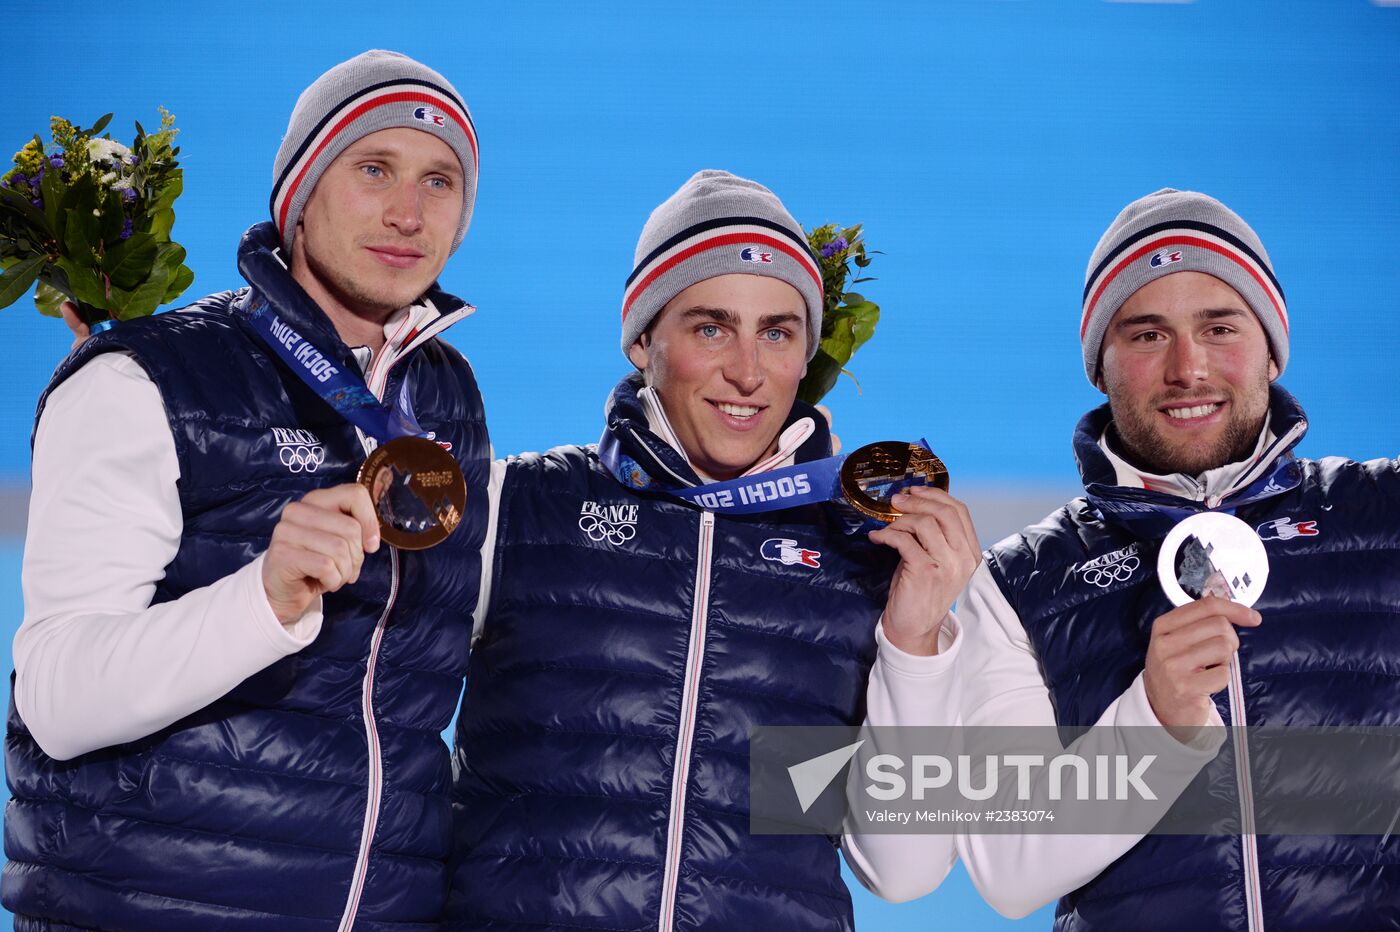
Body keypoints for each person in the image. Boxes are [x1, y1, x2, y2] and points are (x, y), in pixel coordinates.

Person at [5, 50, 490, 929]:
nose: (408, 212)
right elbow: (57, 701)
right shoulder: (148, 378)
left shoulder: (447, 396)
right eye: (373, 169)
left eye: (441, 182)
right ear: (300, 196)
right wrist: (259, 599)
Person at [443, 170, 983, 929]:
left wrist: (917, 637)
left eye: (777, 332)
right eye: (710, 328)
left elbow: (903, 870)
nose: (748, 372)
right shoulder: (519, 507)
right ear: (641, 339)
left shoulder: (859, 560)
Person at [880, 189, 1400, 928]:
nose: (1188, 368)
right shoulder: (1023, 582)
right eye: (1148, 335)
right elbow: (1005, 867)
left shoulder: (1382, 514)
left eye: (1220, 328)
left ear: (1271, 347)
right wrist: (1156, 719)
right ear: (1101, 365)